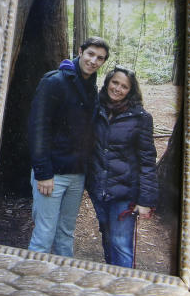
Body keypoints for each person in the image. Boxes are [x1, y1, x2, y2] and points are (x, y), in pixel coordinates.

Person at [26, 36, 109, 256]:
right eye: (90, 54)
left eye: (100, 58)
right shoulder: (54, 81)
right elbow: (38, 128)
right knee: (44, 235)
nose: (93, 60)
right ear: (80, 51)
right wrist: (43, 173)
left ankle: (63, 280)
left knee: (66, 233)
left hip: (76, 174)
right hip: (52, 174)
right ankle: (32, 285)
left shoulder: (91, 86)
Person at [86, 66, 158, 269]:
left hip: (125, 193)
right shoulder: (97, 109)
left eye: (124, 86)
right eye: (115, 82)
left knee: (120, 244)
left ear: (131, 91)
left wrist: (146, 200)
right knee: (108, 238)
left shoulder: (141, 118)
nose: (117, 88)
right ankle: (112, 281)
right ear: (108, 82)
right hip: (99, 190)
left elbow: (147, 160)